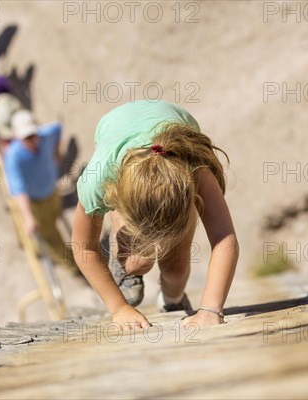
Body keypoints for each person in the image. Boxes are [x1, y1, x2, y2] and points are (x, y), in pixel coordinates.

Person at [73, 100, 239, 330]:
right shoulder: (99, 180)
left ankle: (172, 302)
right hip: (116, 129)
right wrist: (119, 308)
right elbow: (83, 247)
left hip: (177, 140)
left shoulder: (196, 167)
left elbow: (224, 237)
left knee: (175, 269)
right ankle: (126, 264)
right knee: (137, 262)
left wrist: (210, 310)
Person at [4, 110, 78, 273]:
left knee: (54, 220)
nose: (32, 141)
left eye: (33, 135)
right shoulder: (13, 157)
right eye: (27, 138)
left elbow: (57, 129)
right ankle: (74, 266)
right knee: (51, 238)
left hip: (52, 193)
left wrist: (57, 154)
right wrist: (28, 217)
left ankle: (37, 247)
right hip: (36, 203)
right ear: (17, 137)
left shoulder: (46, 134)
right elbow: (18, 190)